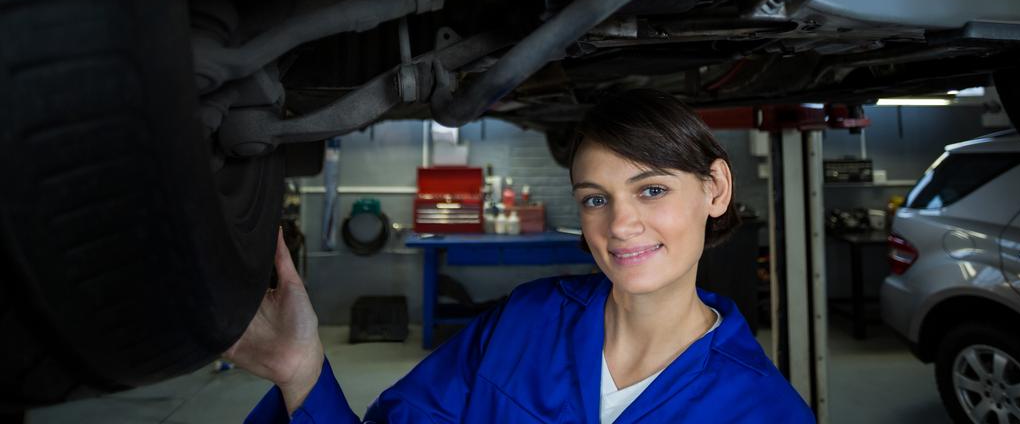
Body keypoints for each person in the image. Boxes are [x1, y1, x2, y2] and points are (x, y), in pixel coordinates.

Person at [231, 89, 815, 423]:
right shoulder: (524, 323)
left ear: (715, 188)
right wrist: (301, 372)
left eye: (652, 189)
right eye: (595, 198)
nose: (620, 224)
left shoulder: (766, 410)